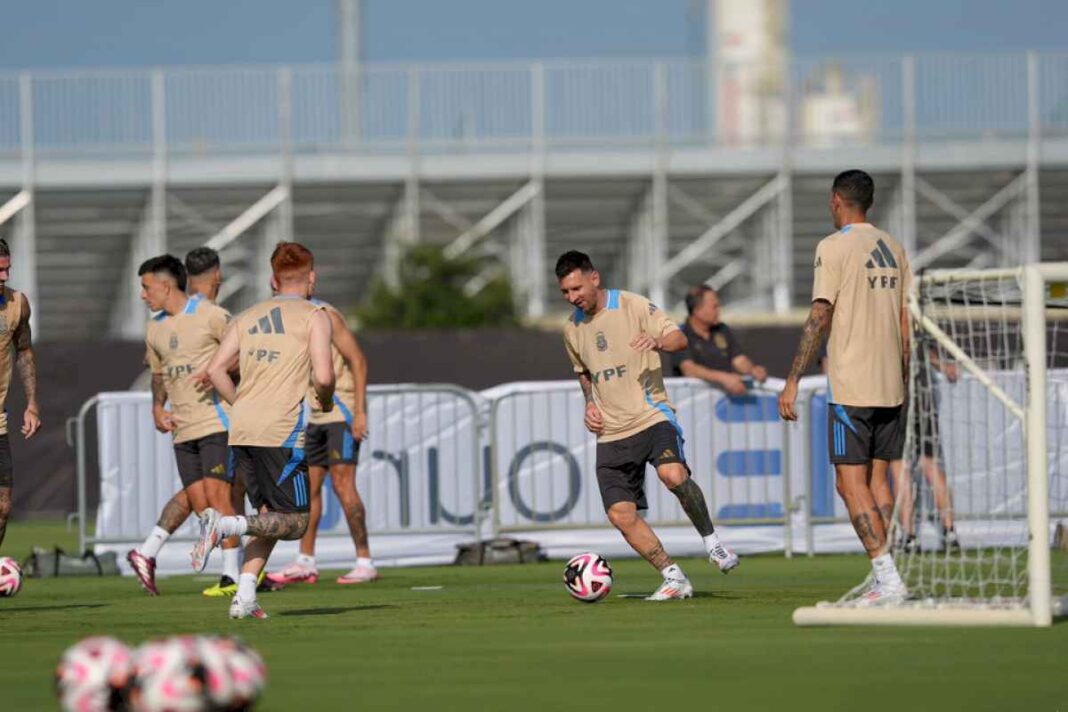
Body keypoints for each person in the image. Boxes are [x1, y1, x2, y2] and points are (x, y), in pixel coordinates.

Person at [556, 250, 738, 601]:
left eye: (576, 288)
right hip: (610, 431)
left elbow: (679, 339)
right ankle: (673, 576)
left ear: (594, 278)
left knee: (672, 475)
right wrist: (590, 404)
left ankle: (713, 544)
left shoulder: (633, 305)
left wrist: (657, 341)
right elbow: (584, 374)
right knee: (620, 514)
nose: (572, 297)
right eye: (565, 292)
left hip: (651, 415)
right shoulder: (572, 328)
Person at [779, 169, 912, 606]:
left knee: (849, 485)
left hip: (852, 385)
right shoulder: (894, 247)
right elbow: (904, 324)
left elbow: (820, 314)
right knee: (877, 483)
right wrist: (904, 377)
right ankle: (890, 572)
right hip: (891, 383)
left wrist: (794, 378)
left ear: (837, 200)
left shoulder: (833, 246)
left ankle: (888, 577)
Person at [192, 242, 335, 619]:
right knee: (296, 521)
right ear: (312, 277)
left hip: (242, 430)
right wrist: (327, 399)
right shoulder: (315, 314)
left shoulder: (248, 315)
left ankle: (245, 595)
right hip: (281, 431)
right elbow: (323, 375)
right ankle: (226, 525)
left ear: (273, 280)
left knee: (269, 516)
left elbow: (217, 370)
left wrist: (241, 404)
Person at [126, 253, 240, 596]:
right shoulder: (155, 328)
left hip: (217, 422)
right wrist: (157, 406)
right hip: (183, 429)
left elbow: (244, 352)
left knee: (222, 500)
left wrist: (219, 370)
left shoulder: (212, 316)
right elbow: (159, 374)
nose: (143, 295)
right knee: (202, 503)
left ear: (165, 285)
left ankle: (233, 576)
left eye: (146, 288)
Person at [267, 298, 372, 585]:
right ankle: (306, 561)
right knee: (309, 490)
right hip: (314, 416)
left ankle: (364, 561)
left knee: (343, 485)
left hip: (342, 412)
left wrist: (360, 412)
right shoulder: (287, 321)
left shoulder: (326, 315)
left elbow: (358, 360)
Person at [892, 345, 961, 554]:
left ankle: (909, 535)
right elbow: (926, 351)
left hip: (897, 399)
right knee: (930, 465)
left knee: (900, 467)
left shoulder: (885, 320)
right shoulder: (915, 321)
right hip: (923, 398)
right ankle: (950, 532)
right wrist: (943, 365)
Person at [0, 239, 41, 549]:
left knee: (2, 508)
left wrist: (31, 403)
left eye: (7, 270)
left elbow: (24, 351)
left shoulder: (17, 304)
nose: (4, 277)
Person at [670, 285, 768, 394]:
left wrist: (752, 370)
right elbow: (689, 369)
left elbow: (738, 359)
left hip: (722, 403)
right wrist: (723, 378)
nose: (719, 311)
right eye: (714, 307)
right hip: (692, 403)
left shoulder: (722, 329)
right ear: (697, 310)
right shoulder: (679, 335)